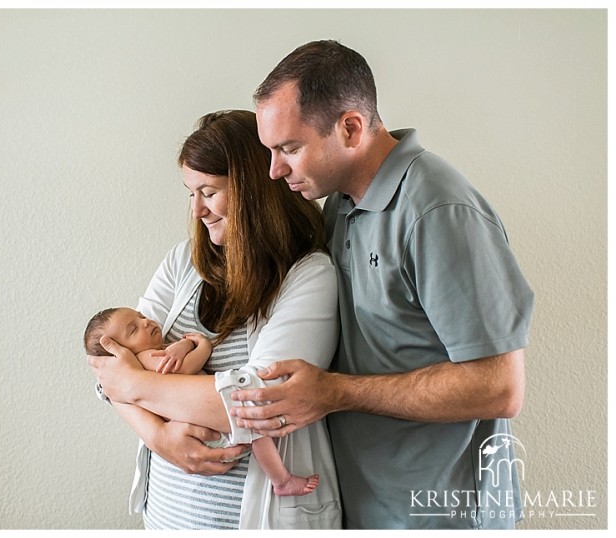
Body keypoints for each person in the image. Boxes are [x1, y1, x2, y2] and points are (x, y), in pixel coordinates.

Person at [229, 40, 535, 530]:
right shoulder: (340, 206)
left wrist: (333, 392)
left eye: (289, 148)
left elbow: (499, 387)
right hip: (362, 507)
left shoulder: (437, 209)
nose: (275, 170)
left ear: (350, 128)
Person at [87, 110, 341, 529]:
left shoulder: (308, 274)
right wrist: (158, 438)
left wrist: (138, 385)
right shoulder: (182, 263)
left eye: (208, 191)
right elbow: (108, 366)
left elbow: (263, 402)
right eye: (191, 193)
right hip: (164, 517)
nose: (198, 210)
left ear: (253, 191)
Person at [84, 306, 320, 496]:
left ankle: (281, 480)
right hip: (207, 435)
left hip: (208, 426)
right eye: (133, 329)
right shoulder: (145, 359)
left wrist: (183, 344)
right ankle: (282, 480)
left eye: (141, 316)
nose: (146, 321)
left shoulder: (151, 355)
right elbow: (186, 367)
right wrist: (203, 346)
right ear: (118, 352)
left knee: (253, 426)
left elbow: (173, 357)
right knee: (254, 426)